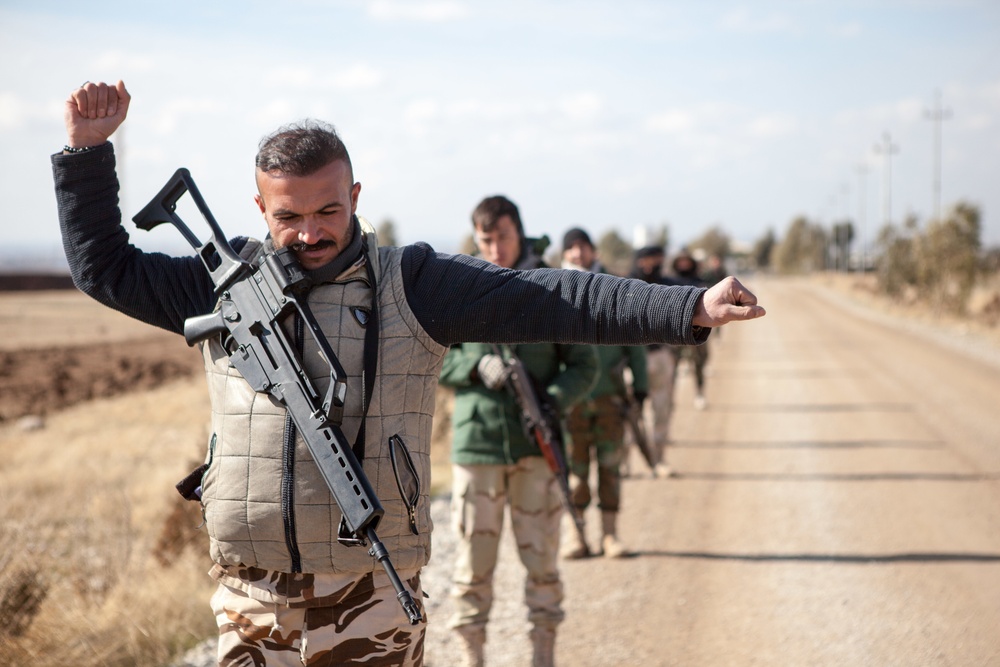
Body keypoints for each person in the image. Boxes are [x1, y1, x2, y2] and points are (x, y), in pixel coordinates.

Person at [54, 80, 765, 667]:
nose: (310, 233)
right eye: (289, 216)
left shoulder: (412, 283)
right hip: (251, 597)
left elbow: (553, 297)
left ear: (357, 196)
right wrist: (88, 156)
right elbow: (107, 269)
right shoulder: (220, 286)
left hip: (370, 593)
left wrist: (688, 306)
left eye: (329, 210)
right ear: (258, 209)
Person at [439, 207, 599, 667]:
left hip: (535, 447)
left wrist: (550, 401)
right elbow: (432, 358)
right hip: (478, 446)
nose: (494, 250)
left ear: (520, 234)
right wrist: (472, 365)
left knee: (543, 566)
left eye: (502, 238)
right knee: (471, 569)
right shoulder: (458, 287)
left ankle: (543, 656)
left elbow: (584, 366)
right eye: (484, 241)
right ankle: (473, 659)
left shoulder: (551, 289)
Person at [560, 228, 648, 560]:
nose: (578, 254)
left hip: (610, 397)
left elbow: (634, 342)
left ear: (594, 250)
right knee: (574, 473)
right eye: (571, 248)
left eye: (583, 247)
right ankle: (577, 536)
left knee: (610, 469)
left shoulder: (613, 287)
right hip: (572, 402)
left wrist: (640, 389)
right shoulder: (553, 288)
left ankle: (610, 536)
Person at [630, 245, 679, 477]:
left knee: (661, 410)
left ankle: (659, 459)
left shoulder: (667, 285)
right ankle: (623, 464)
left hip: (660, 356)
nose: (652, 264)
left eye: (656, 259)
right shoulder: (627, 285)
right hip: (632, 358)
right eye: (647, 259)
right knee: (627, 413)